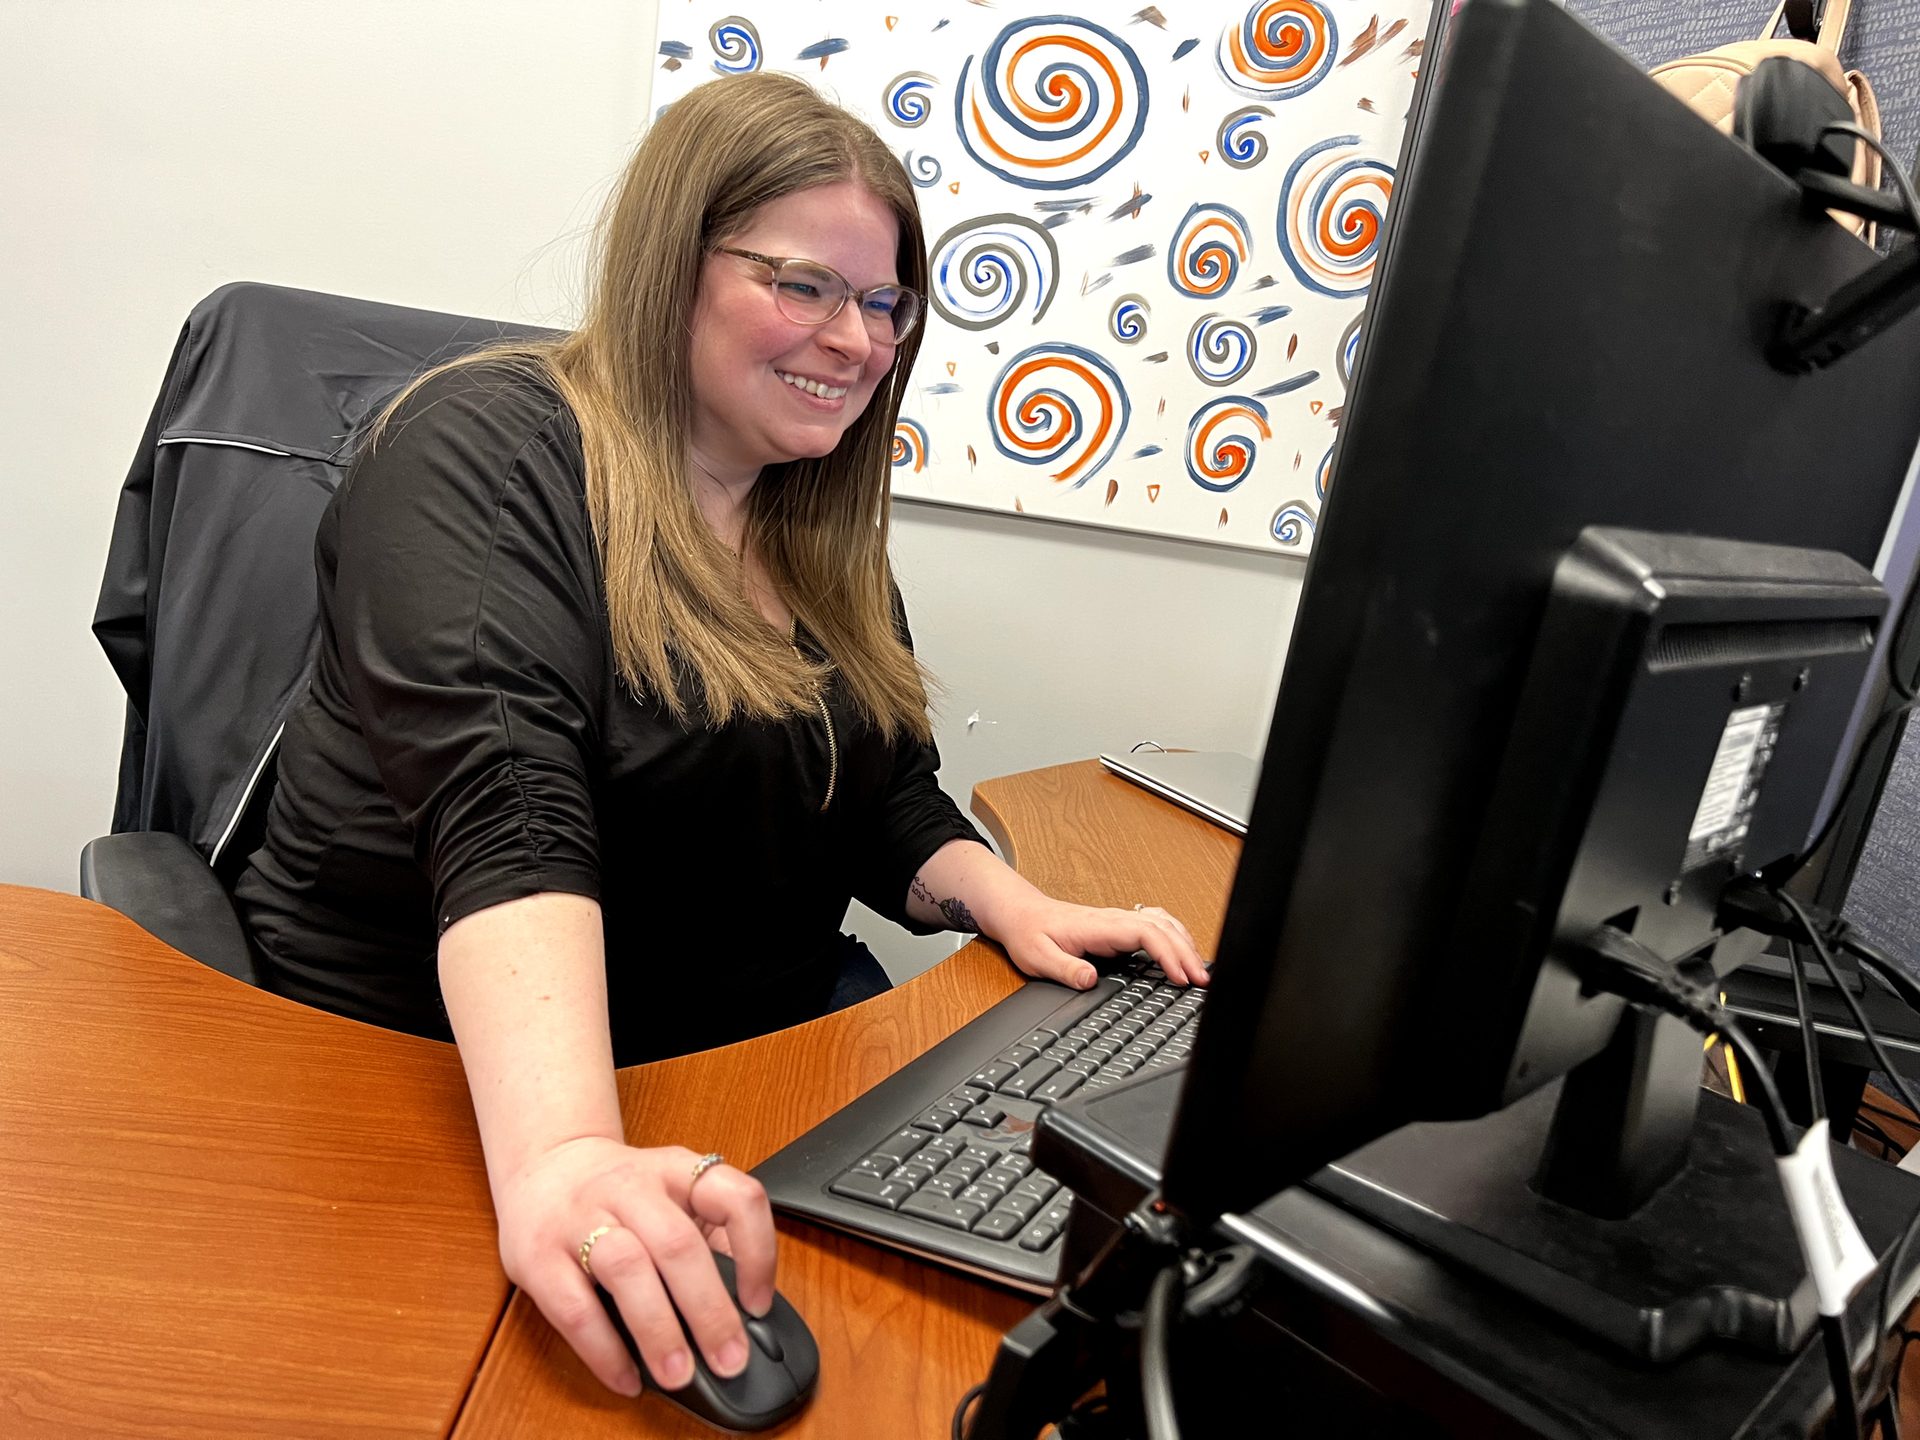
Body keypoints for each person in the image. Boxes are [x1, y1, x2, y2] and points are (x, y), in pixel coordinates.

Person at [234, 72, 1208, 1402]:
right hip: (443, 1087)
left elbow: (881, 796)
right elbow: (507, 808)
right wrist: (569, 1153)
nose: (856, 341)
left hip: (740, 1072)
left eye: (883, 304)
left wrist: (1013, 900)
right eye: (804, 285)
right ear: (671, 270)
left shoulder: (806, 520)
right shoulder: (481, 448)